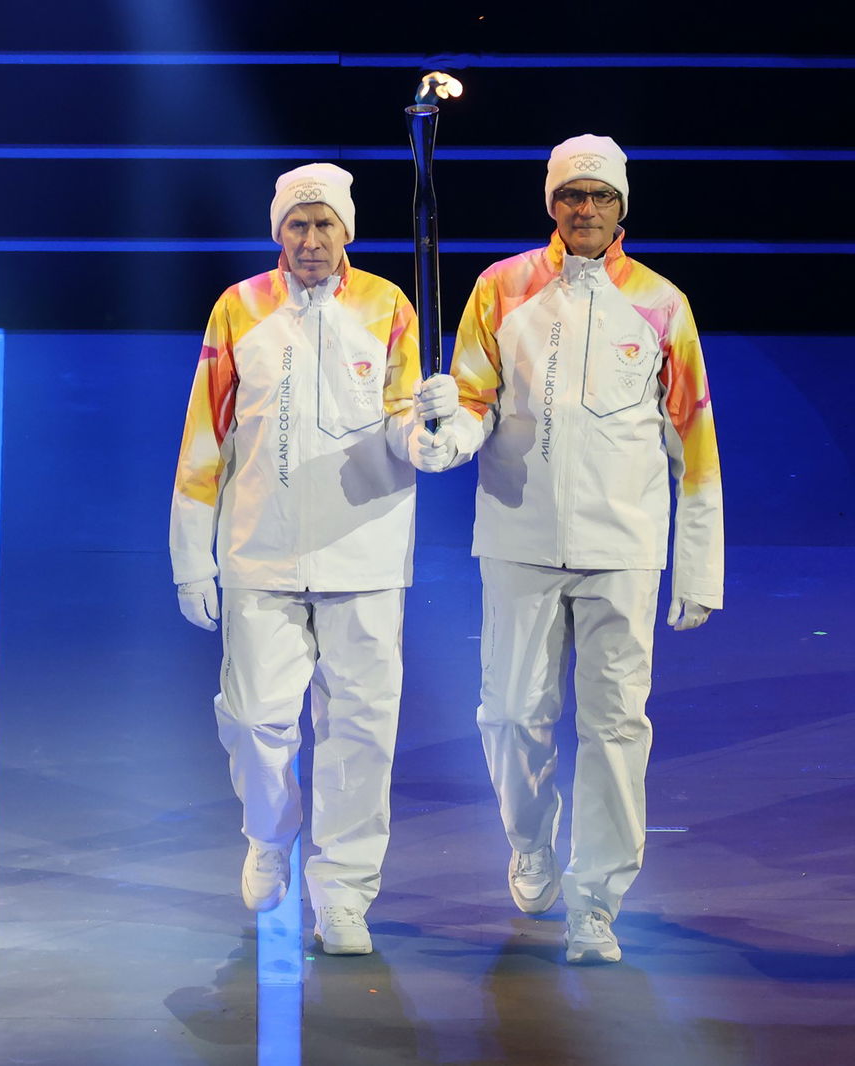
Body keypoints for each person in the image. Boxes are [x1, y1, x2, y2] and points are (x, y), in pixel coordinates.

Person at [417, 134, 723, 964]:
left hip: (623, 548)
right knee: (512, 715)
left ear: (623, 206)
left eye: (599, 196)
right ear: (551, 203)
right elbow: (473, 407)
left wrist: (696, 564)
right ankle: (532, 842)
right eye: (570, 196)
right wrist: (445, 428)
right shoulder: (500, 289)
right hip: (518, 539)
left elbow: (692, 442)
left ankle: (597, 901)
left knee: (617, 726)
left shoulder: (662, 304)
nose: (584, 209)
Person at [168, 164, 448, 955]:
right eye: (298, 225)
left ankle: (345, 893)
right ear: (278, 232)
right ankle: (269, 834)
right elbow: (204, 438)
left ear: (347, 231)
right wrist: (193, 556)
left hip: (365, 557)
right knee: (256, 720)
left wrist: (426, 430)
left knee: (362, 732)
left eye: (326, 225)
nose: (312, 240)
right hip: (261, 554)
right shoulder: (239, 309)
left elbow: (408, 431)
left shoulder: (389, 306)